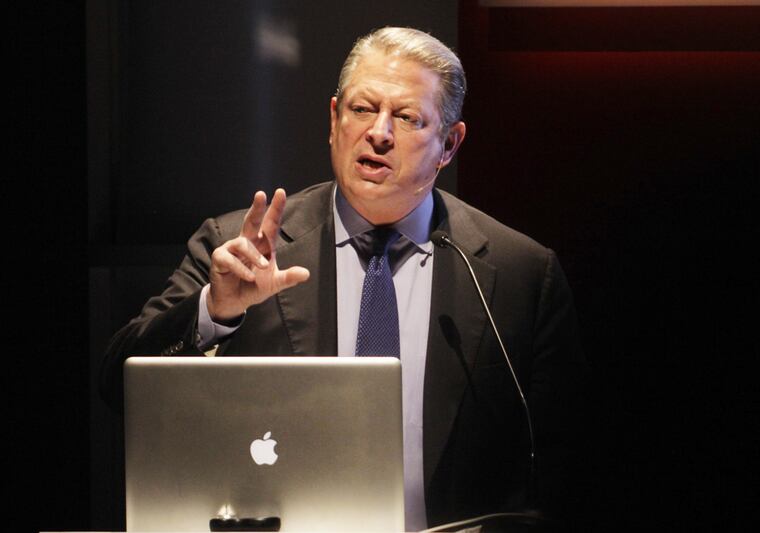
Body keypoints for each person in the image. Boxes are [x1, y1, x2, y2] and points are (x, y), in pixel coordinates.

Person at [100, 27, 588, 531]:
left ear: (449, 144)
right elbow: (119, 385)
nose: (379, 133)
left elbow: (566, 470)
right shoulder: (238, 249)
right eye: (362, 109)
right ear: (334, 120)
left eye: (407, 117)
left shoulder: (520, 274)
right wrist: (215, 311)